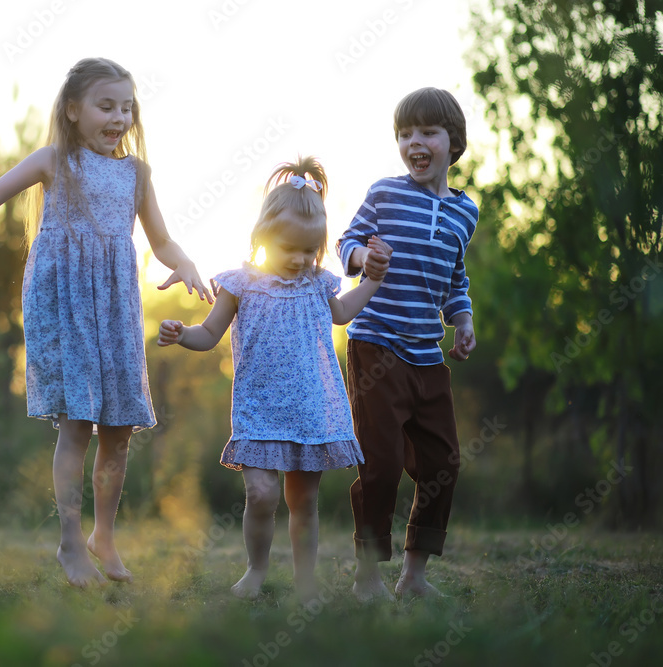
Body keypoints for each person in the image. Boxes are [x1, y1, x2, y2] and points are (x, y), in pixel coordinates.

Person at [0, 58, 212, 588]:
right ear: (73, 109)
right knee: (78, 424)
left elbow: (161, 240)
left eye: (127, 107)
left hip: (115, 307)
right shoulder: (54, 161)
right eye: (106, 106)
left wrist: (186, 263)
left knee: (120, 429)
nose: (119, 117)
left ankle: (102, 536)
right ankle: (69, 541)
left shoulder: (137, 174)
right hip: (64, 305)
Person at [157, 157, 392, 603]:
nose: (301, 259)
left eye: (310, 250)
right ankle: (256, 570)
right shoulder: (239, 284)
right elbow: (208, 334)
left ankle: (306, 584)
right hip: (260, 407)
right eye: (290, 249)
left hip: (310, 407)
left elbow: (342, 314)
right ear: (264, 236)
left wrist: (372, 282)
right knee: (262, 494)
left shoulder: (319, 284)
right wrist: (182, 335)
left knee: (303, 502)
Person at [336, 87, 478, 602]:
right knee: (382, 462)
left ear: (453, 142)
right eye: (404, 133)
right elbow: (346, 240)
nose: (414, 142)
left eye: (427, 132)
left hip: (427, 355)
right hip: (376, 346)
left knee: (442, 463)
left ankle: (414, 576)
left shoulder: (466, 212)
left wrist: (462, 321)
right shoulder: (385, 193)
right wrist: (361, 261)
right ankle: (368, 575)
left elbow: (455, 278)